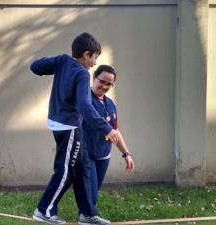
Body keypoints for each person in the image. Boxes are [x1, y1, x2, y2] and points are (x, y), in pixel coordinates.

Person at [29, 32, 119, 225]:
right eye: (95, 58)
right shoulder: (81, 73)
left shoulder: (62, 61)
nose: (95, 63)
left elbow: (35, 66)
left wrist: (57, 62)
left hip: (62, 123)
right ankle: (43, 209)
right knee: (66, 170)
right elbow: (86, 106)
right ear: (86, 54)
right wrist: (106, 128)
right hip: (69, 126)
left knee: (83, 166)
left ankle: (87, 214)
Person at [82, 65, 135, 206]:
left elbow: (115, 131)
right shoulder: (84, 100)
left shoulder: (110, 103)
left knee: (92, 197)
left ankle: (87, 217)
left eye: (109, 84)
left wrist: (126, 154)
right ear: (94, 78)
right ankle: (87, 218)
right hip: (86, 155)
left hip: (104, 155)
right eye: (102, 81)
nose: (104, 86)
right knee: (90, 198)